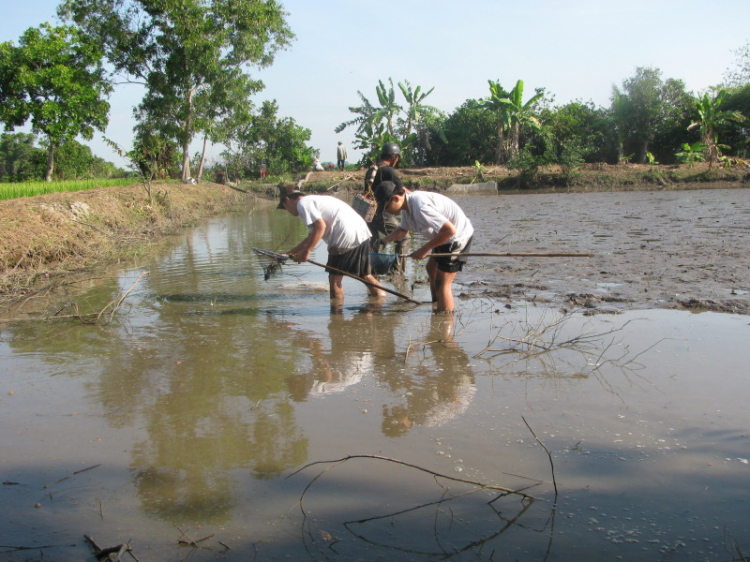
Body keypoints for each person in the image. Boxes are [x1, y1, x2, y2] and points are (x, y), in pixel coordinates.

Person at [373, 181, 473, 312]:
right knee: (431, 267)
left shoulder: (420, 207)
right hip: (443, 237)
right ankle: (436, 301)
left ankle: (444, 321)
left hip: (457, 237)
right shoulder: (407, 207)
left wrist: (424, 249)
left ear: (396, 198)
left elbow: (450, 231)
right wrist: (384, 240)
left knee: (443, 282)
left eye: (386, 208)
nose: (388, 212)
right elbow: (402, 230)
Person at [277, 185, 386, 301]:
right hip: (361, 233)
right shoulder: (314, 200)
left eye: (285, 207)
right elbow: (311, 236)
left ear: (287, 200)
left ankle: (336, 316)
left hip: (344, 237)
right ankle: (380, 301)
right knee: (365, 275)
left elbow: (320, 227)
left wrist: (306, 252)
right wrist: (289, 254)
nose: (288, 211)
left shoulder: (302, 204)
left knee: (335, 280)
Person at [364, 143, 410, 267]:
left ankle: (370, 269)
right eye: (397, 158)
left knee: (373, 240)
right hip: (382, 212)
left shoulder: (372, 169)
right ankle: (397, 272)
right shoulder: (388, 170)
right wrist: (417, 196)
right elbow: (401, 190)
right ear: (393, 156)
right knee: (404, 237)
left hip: (367, 212)